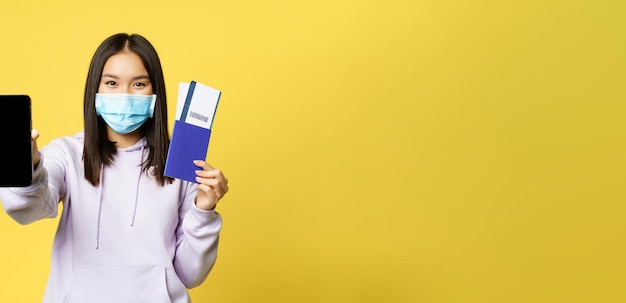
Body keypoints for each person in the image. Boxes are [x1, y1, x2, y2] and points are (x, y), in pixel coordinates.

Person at [0, 33, 229, 303]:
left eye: (139, 84)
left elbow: (191, 274)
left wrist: (204, 211)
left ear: (155, 93)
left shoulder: (179, 163)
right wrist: (30, 166)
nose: (125, 95)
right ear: (95, 92)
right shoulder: (68, 153)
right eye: (111, 83)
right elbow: (26, 210)